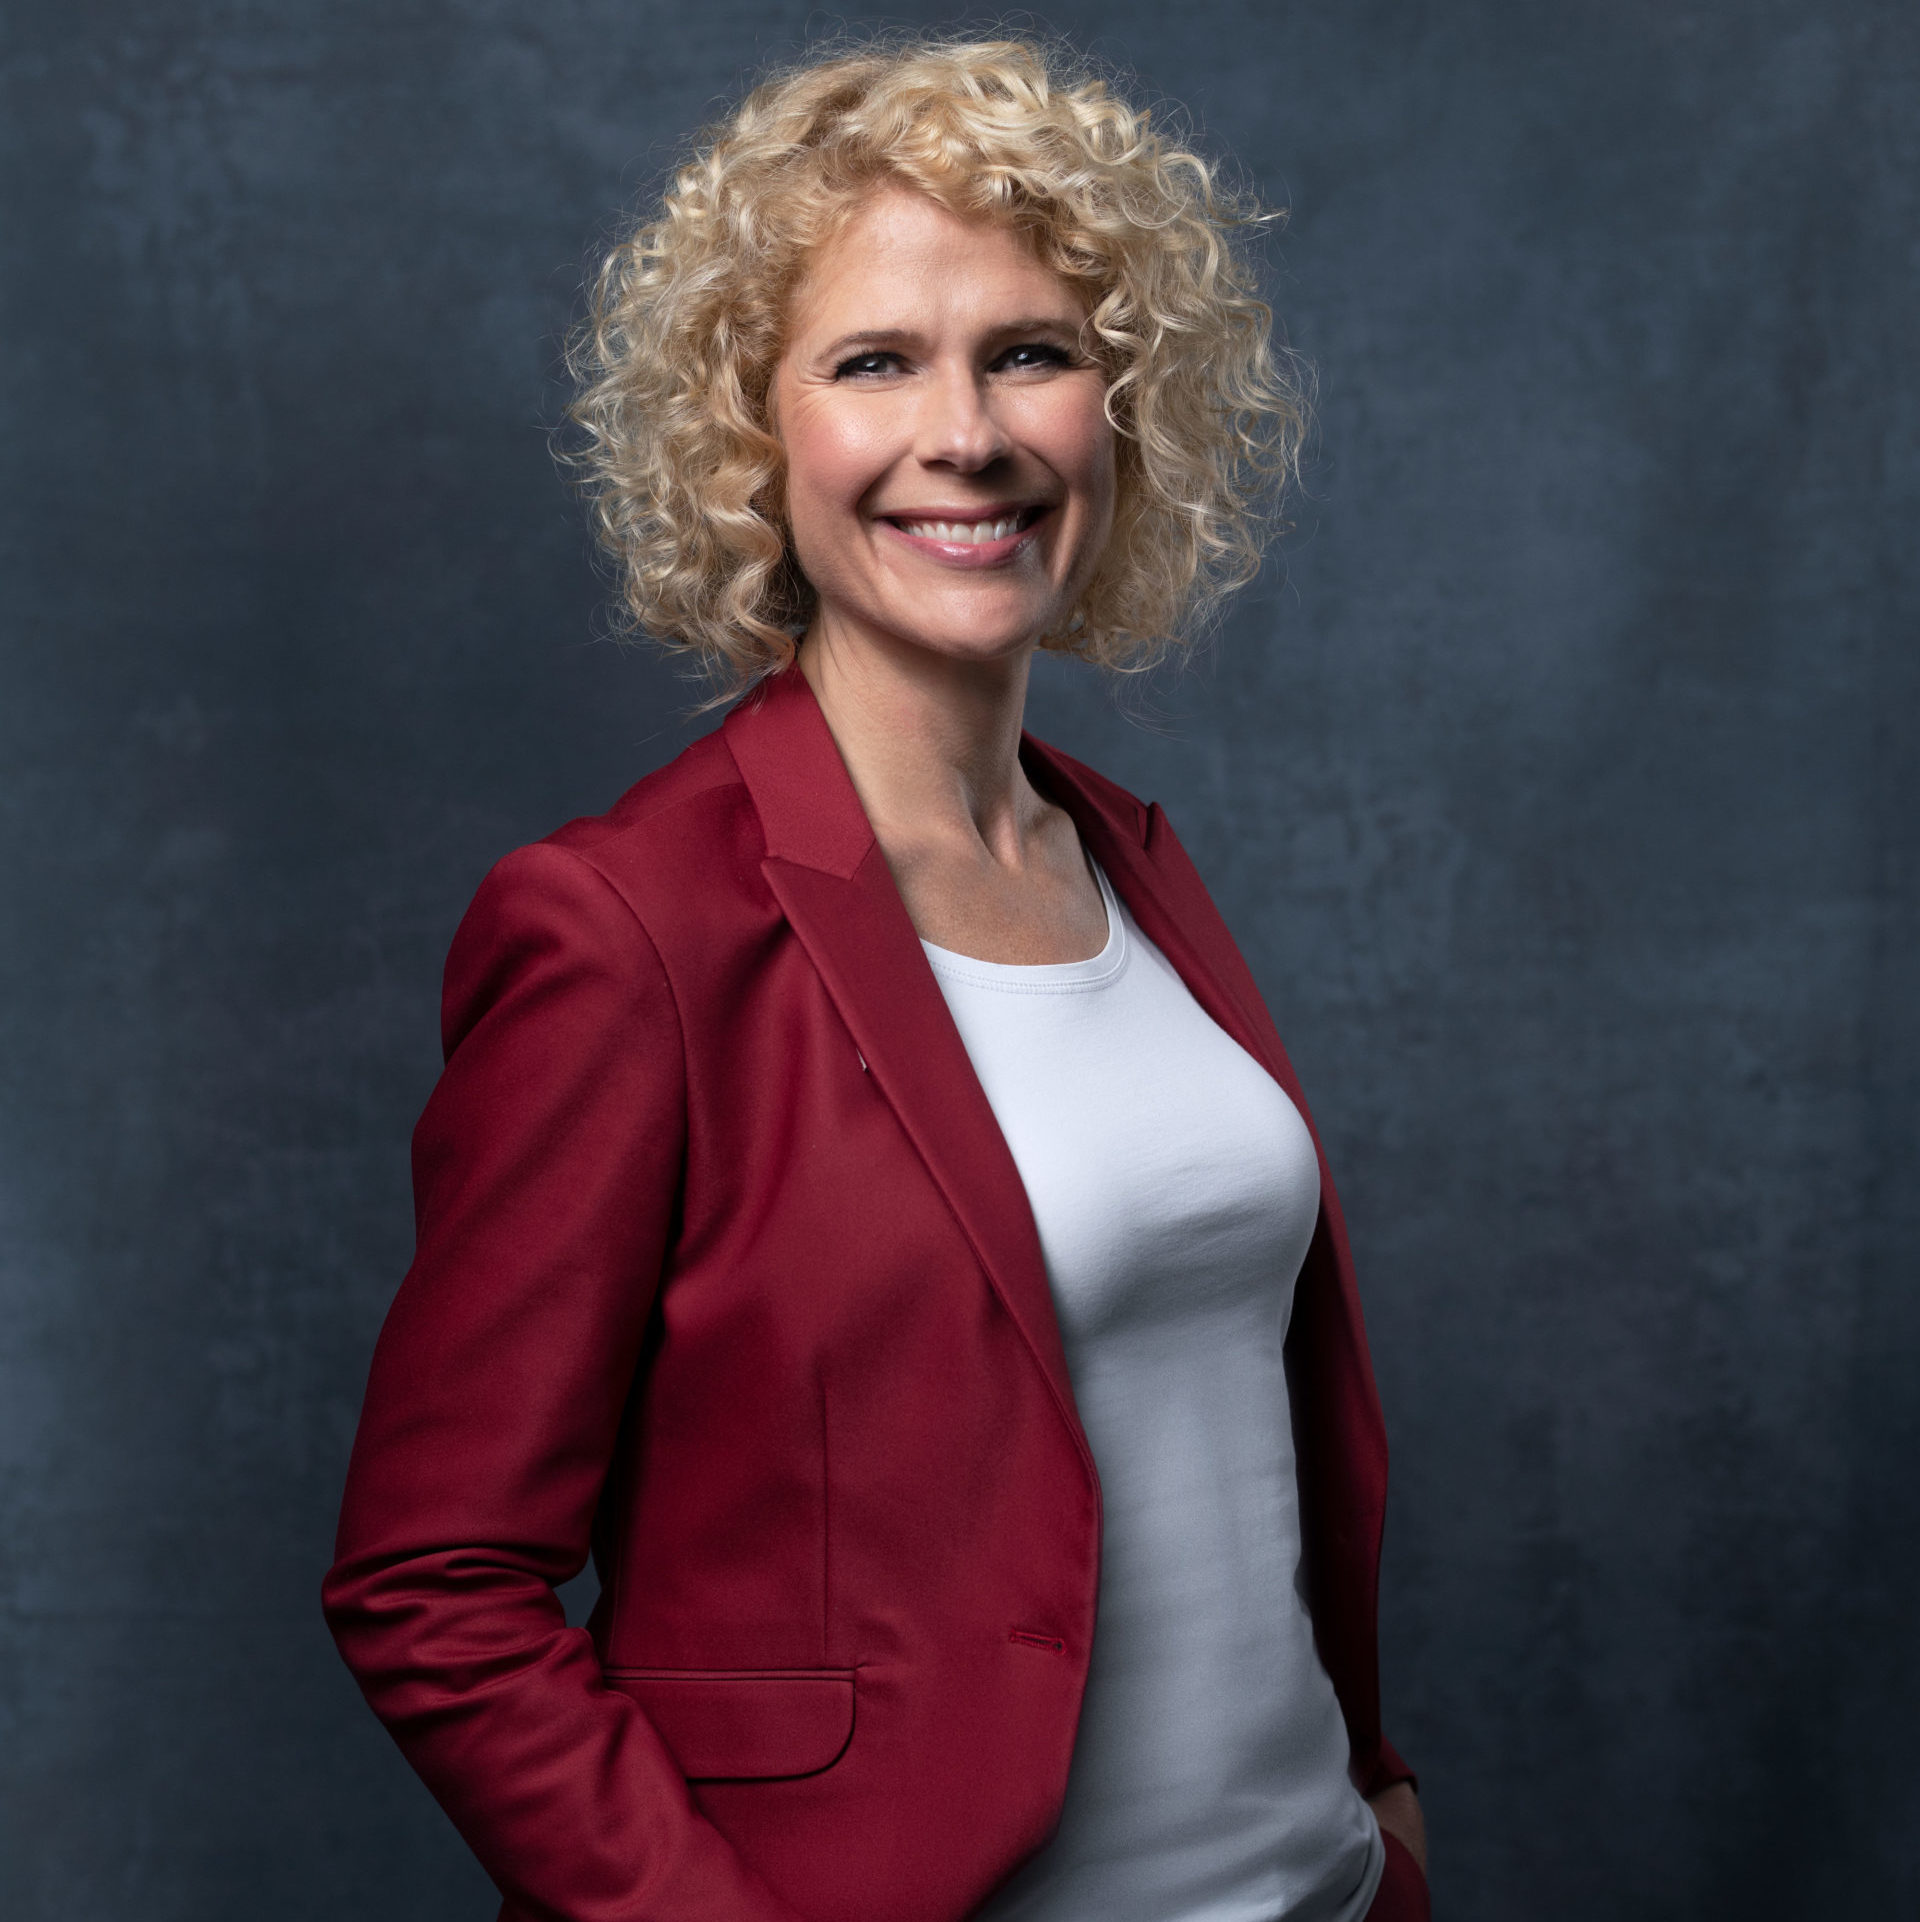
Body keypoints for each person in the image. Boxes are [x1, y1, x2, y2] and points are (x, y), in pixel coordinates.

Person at [324, 35, 1428, 1922]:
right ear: (752, 437)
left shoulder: (1129, 857)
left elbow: (1236, 1425)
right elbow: (434, 1584)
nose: (968, 433)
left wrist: (1377, 1811)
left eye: (1032, 351)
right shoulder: (623, 926)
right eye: (873, 363)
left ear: (1123, 407)